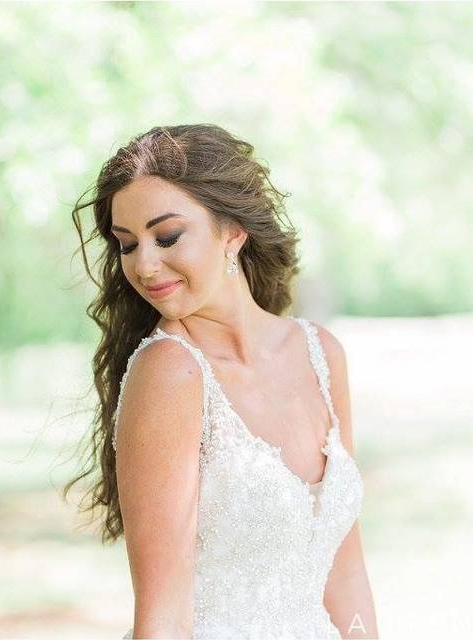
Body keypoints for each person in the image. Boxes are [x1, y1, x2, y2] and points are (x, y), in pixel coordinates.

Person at [65, 124, 378, 638]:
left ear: (233, 232)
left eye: (166, 237)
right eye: (126, 244)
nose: (143, 264)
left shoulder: (322, 354)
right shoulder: (171, 371)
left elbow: (345, 574)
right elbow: (163, 616)